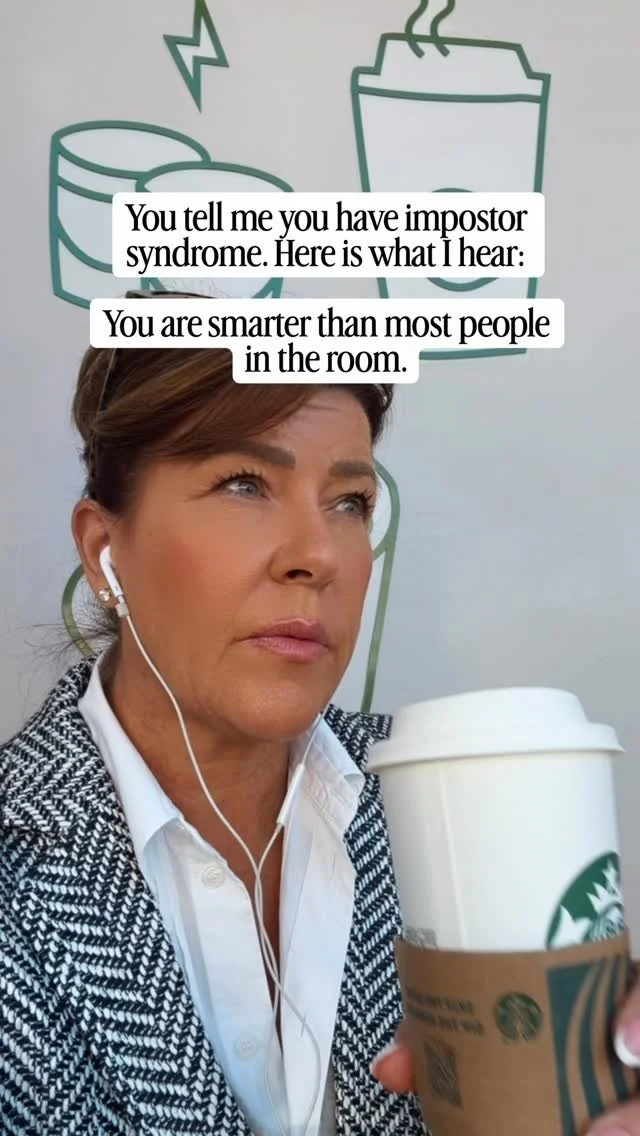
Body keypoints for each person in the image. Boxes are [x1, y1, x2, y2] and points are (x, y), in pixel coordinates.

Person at [1, 328, 639, 1136]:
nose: (318, 555)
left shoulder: (443, 794)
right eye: (242, 484)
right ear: (105, 551)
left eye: (350, 503)